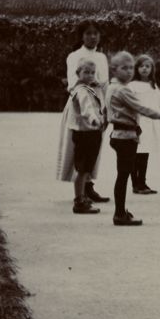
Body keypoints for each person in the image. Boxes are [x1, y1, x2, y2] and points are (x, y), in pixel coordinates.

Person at [104, 52, 160, 227]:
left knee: (123, 174)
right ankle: (119, 214)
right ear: (114, 70)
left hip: (121, 135)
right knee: (123, 176)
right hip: (126, 136)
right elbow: (142, 108)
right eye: (125, 68)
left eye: (131, 67)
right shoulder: (122, 89)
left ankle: (121, 210)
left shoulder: (111, 87)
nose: (129, 71)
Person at [64, 21, 110, 204]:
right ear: (81, 36)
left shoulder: (102, 57)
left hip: (98, 104)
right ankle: (80, 191)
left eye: (96, 33)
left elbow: (105, 83)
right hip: (81, 105)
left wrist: (106, 110)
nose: (92, 37)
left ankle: (89, 188)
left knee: (94, 150)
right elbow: (72, 83)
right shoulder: (74, 56)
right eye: (88, 33)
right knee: (82, 151)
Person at [56, 59, 106, 214]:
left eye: (92, 72)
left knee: (86, 168)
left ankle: (82, 196)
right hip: (85, 132)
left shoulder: (90, 88)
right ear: (78, 74)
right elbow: (87, 107)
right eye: (86, 72)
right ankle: (79, 201)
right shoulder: (81, 90)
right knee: (83, 168)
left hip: (91, 132)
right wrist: (93, 119)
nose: (90, 75)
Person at [129, 54, 160, 195]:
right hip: (138, 122)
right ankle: (135, 184)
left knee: (145, 154)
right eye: (141, 66)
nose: (144, 69)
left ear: (152, 69)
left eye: (147, 66)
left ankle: (142, 182)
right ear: (136, 68)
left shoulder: (153, 85)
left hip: (150, 124)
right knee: (135, 154)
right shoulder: (132, 85)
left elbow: (159, 98)